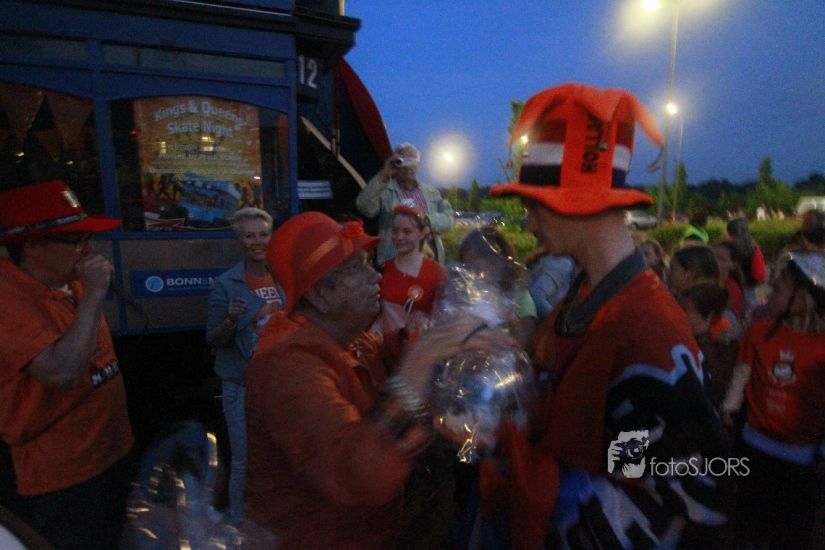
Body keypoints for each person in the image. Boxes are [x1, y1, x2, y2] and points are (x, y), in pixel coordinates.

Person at [483, 83, 727, 547]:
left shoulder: (643, 330)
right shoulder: (585, 297)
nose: (529, 224)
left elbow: (686, 492)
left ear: (578, 201)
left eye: (533, 204)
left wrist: (556, 494)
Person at [243, 211, 509, 548]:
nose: (375, 276)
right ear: (319, 294)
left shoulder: (341, 340)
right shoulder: (288, 367)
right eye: (357, 268)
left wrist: (430, 338)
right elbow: (359, 475)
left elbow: (380, 351)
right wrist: (420, 362)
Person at [0, 180, 134, 549]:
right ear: (32, 245)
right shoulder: (8, 298)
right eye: (75, 240)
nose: (87, 250)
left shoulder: (70, 283)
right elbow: (61, 372)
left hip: (109, 455)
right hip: (63, 477)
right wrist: (94, 295)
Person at [721, 252, 825, 548]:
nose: (769, 294)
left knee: (789, 533)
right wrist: (729, 407)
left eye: (778, 290)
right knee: (748, 525)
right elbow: (743, 372)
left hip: (801, 460)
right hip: (753, 446)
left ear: (805, 300)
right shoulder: (759, 331)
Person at [205, 207, 283, 520]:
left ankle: (270, 521)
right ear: (239, 239)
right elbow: (213, 338)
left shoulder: (282, 278)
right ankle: (238, 525)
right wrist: (232, 319)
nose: (257, 241)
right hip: (240, 385)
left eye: (263, 234)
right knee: (243, 461)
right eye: (249, 236)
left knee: (276, 458)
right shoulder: (226, 284)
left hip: (277, 383)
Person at [356, 142, 454, 265]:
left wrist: (427, 220)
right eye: (403, 161)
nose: (408, 167)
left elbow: (449, 218)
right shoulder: (384, 190)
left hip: (429, 261)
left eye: (411, 161)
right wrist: (384, 175)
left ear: (418, 165)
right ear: (395, 163)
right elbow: (363, 206)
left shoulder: (431, 192)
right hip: (395, 261)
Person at [370, 204, 446, 336]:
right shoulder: (382, 269)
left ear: (423, 233)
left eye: (407, 232)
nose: (399, 237)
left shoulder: (437, 273)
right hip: (383, 344)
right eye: (395, 230)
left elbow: (443, 321)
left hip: (417, 346)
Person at [459, 226, 538, 348]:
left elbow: (525, 343)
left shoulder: (520, 298)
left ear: (498, 261)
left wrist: (513, 321)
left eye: (476, 266)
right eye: (467, 267)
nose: (472, 273)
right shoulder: (470, 294)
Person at [726, 217, 768, 303]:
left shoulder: (725, 247)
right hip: (752, 290)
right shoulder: (753, 248)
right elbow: (759, 275)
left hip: (731, 290)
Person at [525, 250, 576, 320]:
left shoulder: (553, 257)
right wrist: (558, 321)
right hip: (533, 321)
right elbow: (536, 295)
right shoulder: (564, 263)